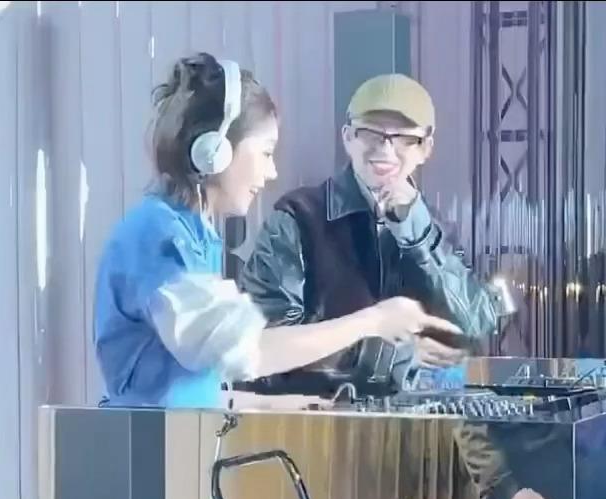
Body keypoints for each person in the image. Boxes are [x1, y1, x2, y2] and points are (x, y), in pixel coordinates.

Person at [93, 55, 462, 408]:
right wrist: (374, 321)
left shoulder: (191, 235)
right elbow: (246, 351)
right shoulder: (158, 238)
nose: (271, 173)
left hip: (177, 437)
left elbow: (189, 385)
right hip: (152, 445)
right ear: (216, 151)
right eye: (267, 153)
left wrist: (266, 404)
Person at [240, 73, 499, 390]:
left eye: (404, 138)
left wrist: (417, 233)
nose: (386, 150)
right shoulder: (297, 217)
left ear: (426, 148)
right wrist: (393, 357)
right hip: (317, 413)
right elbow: (267, 341)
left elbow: (472, 326)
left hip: (415, 415)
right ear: (348, 137)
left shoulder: (434, 227)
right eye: (370, 133)